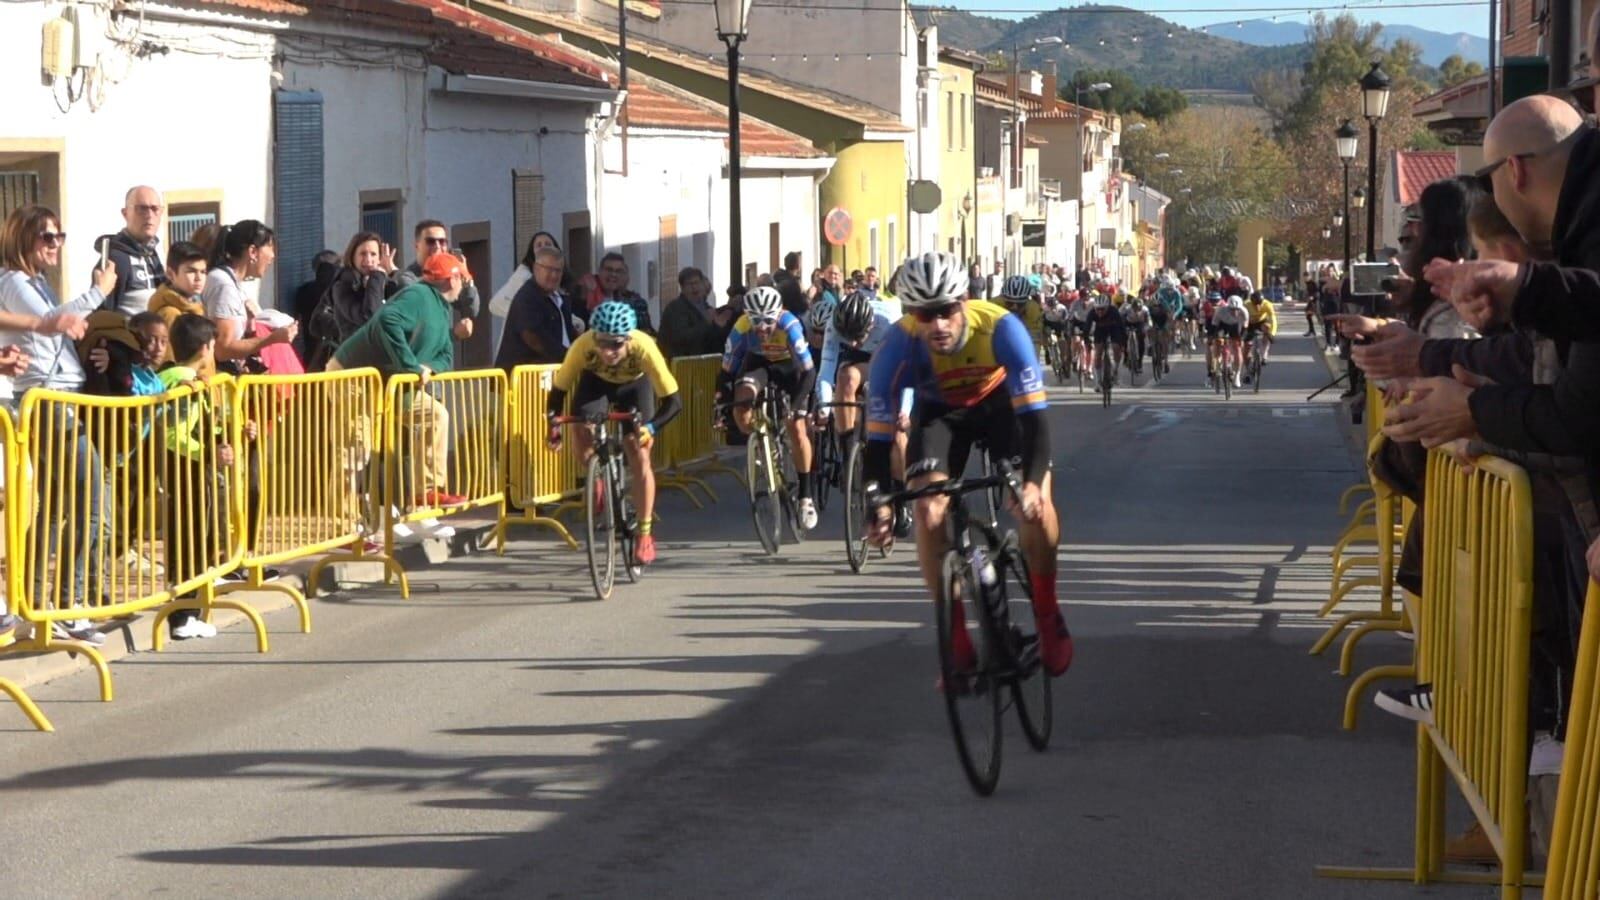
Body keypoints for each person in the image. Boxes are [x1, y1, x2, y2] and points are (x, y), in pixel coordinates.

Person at [861, 251, 1073, 677]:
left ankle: (1048, 614)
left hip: (1000, 406)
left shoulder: (1002, 329)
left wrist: (1031, 484)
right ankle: (955, 635)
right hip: (940, 413)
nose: (937, 325)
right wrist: (878, 504)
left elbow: (1035, 422)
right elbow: (878, 442)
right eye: (924, 314)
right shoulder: (896, 348)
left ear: (964, 301)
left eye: (945, 311)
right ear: (911, 314)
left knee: (1034, 505)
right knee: (928, 508)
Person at [0, 204, 118, 646]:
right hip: (47, 401)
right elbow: (54, 325)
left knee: (53, 508)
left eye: (59, 236)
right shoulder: (13, 281)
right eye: (46, 237)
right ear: (23, 239)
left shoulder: (37, 284)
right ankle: (66, 603)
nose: (55, 245)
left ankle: (30, 602)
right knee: (91, 497)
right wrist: (97, 291)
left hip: (58, 395)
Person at [544, 301, 682, 565]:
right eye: (603, 343)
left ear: (628, 339)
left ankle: (644, 533)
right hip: (596, 383)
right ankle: (595, 476)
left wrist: (651, 427)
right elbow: (559, 391)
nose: (608, 352)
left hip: (635, 387)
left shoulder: (644, 348)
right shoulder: (584, 345)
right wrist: (554, 427)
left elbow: (674, 402)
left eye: (616, 345)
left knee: (639, 454)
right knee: (581, 425)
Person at [331, 251, 470, 508]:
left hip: (389, 382)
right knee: (355, 447)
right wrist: (411, 367)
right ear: (452, 280)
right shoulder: (418, 296)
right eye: (463, 279)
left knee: (436, 416)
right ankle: (343, 521)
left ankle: (426, 490)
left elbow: (445, 354)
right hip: (354, 376)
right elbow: (387, 320)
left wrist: (427, 368)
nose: (464, 285)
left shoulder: (441, 309)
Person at [717, 284, 818, 529]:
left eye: (767, 322)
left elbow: (808, 372)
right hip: (759, 363)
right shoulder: (740, 328)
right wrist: (722, 405)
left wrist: (795, 408)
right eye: (756, 321)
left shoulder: (790, 325)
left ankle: (805, 497)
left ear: (778, 314)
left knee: (796, 427)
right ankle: (762, 441)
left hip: (790, 366)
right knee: (741, 404)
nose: (762, 328)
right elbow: (726, 373)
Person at [158, 314, 232, 640]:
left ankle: (191, 611)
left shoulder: (187, 380)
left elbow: (202, 425)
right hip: (185, 472)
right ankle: (183, 615)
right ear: (205, 348)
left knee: (193, 540)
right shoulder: (181, 383)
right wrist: (209, 453)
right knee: (190, 541)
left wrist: (230, 435)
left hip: (189, 469)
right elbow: (175, 434)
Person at [203, 220, 296, 373]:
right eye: (270, 248)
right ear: (253, 252)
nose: (273, 257)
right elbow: (222, 350)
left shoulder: (232, 283)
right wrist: (272, 339)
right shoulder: (224, 284)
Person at [496, 247, 580, 369]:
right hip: (522, 380)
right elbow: (533, 337)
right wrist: (566, 356)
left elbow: (568, 335)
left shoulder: (560, 299)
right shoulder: (527, 297)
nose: (554, 275)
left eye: (558, 271)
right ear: (536, 268)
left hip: (555, 373)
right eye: (550, 269)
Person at [394, 220, 477, 342]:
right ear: (417, 246)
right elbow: (424, 330)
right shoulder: (408, 279)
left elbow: (471, 310)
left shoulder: (448, 274)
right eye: (431, 241)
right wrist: (454, 333)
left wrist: (466, 277)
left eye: (442, 241)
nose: (437, 246)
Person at [93, 185, 167, 314]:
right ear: (125, 213)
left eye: (155, 209)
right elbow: (101, 314)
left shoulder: (152, 254)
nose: (149, 215)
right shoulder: (115, 259)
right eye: (142, 209)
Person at [144, 241, 209, 368]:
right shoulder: (169, 313)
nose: (198, 278)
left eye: (203, 272)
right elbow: (168, 363)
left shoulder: (196, 306)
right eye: (191, 271)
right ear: (170, 274)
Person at [328, 231, 400, 342]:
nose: (368, 260)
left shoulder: (380, 281)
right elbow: (369, 316)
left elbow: (410, 300)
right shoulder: (344, 285)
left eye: (373, 254)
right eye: (363, 254)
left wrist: (393, 271)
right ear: (352, 257)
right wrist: (377, 276)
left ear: (380, 258)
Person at [659, 266, 734, 359]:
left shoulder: (705, 306)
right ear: (682, 288)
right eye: (689, 284)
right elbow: (681, 338)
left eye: (697, 283)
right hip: (682, 364)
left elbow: (713, 338)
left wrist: (719, 326)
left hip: (706, 362)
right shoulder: (675, 308)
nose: (694, 287)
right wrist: (706, 322)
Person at [592, 252, 654, 334]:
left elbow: (646, 333)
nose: (613, 274)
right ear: (600, 271)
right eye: (609, 270)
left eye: (618, 271)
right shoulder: (587, 298)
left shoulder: (635, 303)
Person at [1086, 292, 1125, 384]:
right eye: (1097, 309)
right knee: (1098, 353)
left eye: (1102, 309)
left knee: (1116, 347)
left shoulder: (1114, 311)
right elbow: (1086, 328)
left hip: (1113, 329)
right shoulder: (1092, 313)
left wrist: (1123, 342)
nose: (1099, 312)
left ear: (1108, 307)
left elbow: (1121, 327)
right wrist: (1087, 341)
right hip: (1099, 331)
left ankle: (1115, 369)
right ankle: (1099, 380)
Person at [1212, 295, 1249, 388]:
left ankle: (1237, 374)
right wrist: (1214, 336)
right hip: (1222, 325)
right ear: (1228, 307)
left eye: (1237, 309)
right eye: (1232, 309)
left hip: (1236, 327)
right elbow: (1214, 325)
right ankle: (1218, 363)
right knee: (1217, 341)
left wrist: (1241, 338)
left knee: (1237, 348)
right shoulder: (1221, 311)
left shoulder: (1244, 312)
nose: (1234, 311)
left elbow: (1245, 327)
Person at [1244, 290, 1278, 369]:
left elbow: (1273, 319)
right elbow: (1240, 319)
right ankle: (1247, 370)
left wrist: (1272, 334)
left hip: (1261, 322)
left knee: (1267, 328)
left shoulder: (1267, 304)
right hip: (1250, 323)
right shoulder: (1246, 304)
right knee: (1246, 347)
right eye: (1255, 305)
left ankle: (1264, 355)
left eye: (1260, 304)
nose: (1258, 307)